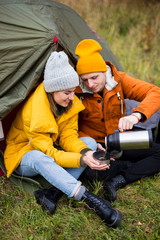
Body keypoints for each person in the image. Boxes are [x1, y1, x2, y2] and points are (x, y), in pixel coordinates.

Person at [4, 51, 122, 228]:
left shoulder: (68, 103)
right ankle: (89, 199)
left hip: (50, 149)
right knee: (38, 157)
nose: (72, 97)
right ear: (52, 90)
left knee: (88, 143)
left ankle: (51, 193)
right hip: (24, 156)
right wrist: (82, 160)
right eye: (67, 92)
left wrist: (87, 153)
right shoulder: (35, 112)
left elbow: (68, 136)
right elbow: (50, 154)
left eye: (73, 91)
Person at [75, 39, 160, 202]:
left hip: (119, 139)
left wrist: (135, 115)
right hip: (97, 146)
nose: (90, 84)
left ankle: (119, 179)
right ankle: (128, 165)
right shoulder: (75, 90)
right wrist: (89, 144)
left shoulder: (118, 80)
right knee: (92, 173)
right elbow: (69, 127)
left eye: (94, 77)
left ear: (104, 72)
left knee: (158, 152)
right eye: (85, 79)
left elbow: (155, 92)